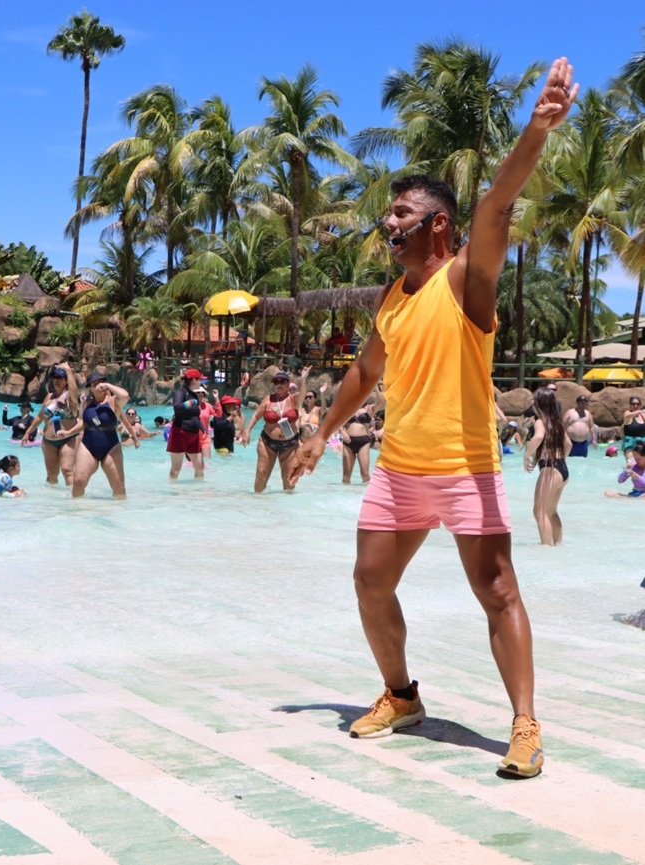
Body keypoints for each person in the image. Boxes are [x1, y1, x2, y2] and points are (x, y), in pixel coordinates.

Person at [290, 58, 578, 779]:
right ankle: (401, 695)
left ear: (437, 224)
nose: (387, 222)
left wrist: (536, 131)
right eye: (389, 214)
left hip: (466, 466)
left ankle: (524, 725)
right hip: (399, 470)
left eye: (400, 214)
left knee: (498, 591)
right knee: (369, 581)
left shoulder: (465, 279)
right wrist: (321, 434)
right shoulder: (393, 296)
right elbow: (365, 373)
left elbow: (497, 207)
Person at [243, 368, 310, 493]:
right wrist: (247, 431)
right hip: (267, 442)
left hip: (290, 445)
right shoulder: (268, 399)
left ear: (288, 384)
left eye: (282, 382)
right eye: (276, 382)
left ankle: (286, 504)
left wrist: (303, 379)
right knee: (261, 473)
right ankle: (256, 501)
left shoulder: (294, 399)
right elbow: (256, 416)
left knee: (288, 479)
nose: (279, 384)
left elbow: (303, 394)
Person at [72, 371, 133, 498]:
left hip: (111, 447)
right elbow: (83, 423)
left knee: (119, 487)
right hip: (88, 446)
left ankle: (121, 509)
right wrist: (68, 432)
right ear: (89, 388)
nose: (99, 385)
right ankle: (75, 509)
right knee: (78, 482)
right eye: (94, 384)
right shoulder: (86, 403)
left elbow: (125, 395)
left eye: (101, 382)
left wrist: (108, 385)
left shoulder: (113, 401)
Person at [524, 386, 571, 546]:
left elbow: (538, 437)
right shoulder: (557, 422)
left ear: (540, 403)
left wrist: (526, 455)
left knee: (539, 511)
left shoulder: (540, 421)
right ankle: (558, 546)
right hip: (562, 469)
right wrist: (560, 460)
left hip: (550, 469)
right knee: (551, 511)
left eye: (534, 400)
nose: (532, 403)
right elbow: (568, 444)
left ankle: (546, 549)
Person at [23, 365, 82, 485]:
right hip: (49, 440)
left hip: (69, 439)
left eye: (59, 377)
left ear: (66, 380)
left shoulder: (70, 398)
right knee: (51, 473)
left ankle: (72, 495)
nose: (56, 380)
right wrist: (28, 432)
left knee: (67, 470)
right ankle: (50, 496)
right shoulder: (49, 397)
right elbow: (40, 416)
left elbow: (74, 391)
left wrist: (68, 371)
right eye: (54, 377)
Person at [167, 368, 207, 480]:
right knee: (176, 469)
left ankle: (197, 489)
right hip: (180, 433)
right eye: (200, 380)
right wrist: (192, 402)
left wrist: (202, 428)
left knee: (200, 468)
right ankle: (171, 489)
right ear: (194, 380)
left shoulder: (194, 395)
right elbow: (177, 407)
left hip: (193, 436)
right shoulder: (180, 392)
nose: (201, 382)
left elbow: (195, 416)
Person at [340, 398, 378, 484]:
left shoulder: (369, 408)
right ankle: (344, 492)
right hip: (348, 442)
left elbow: (382, 401)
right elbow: (337, 421)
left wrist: (377, 390)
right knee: (346, 476)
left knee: (365, 474)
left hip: (363, 443)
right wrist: (343, 432)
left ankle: (367, 492)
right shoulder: (347, 407)